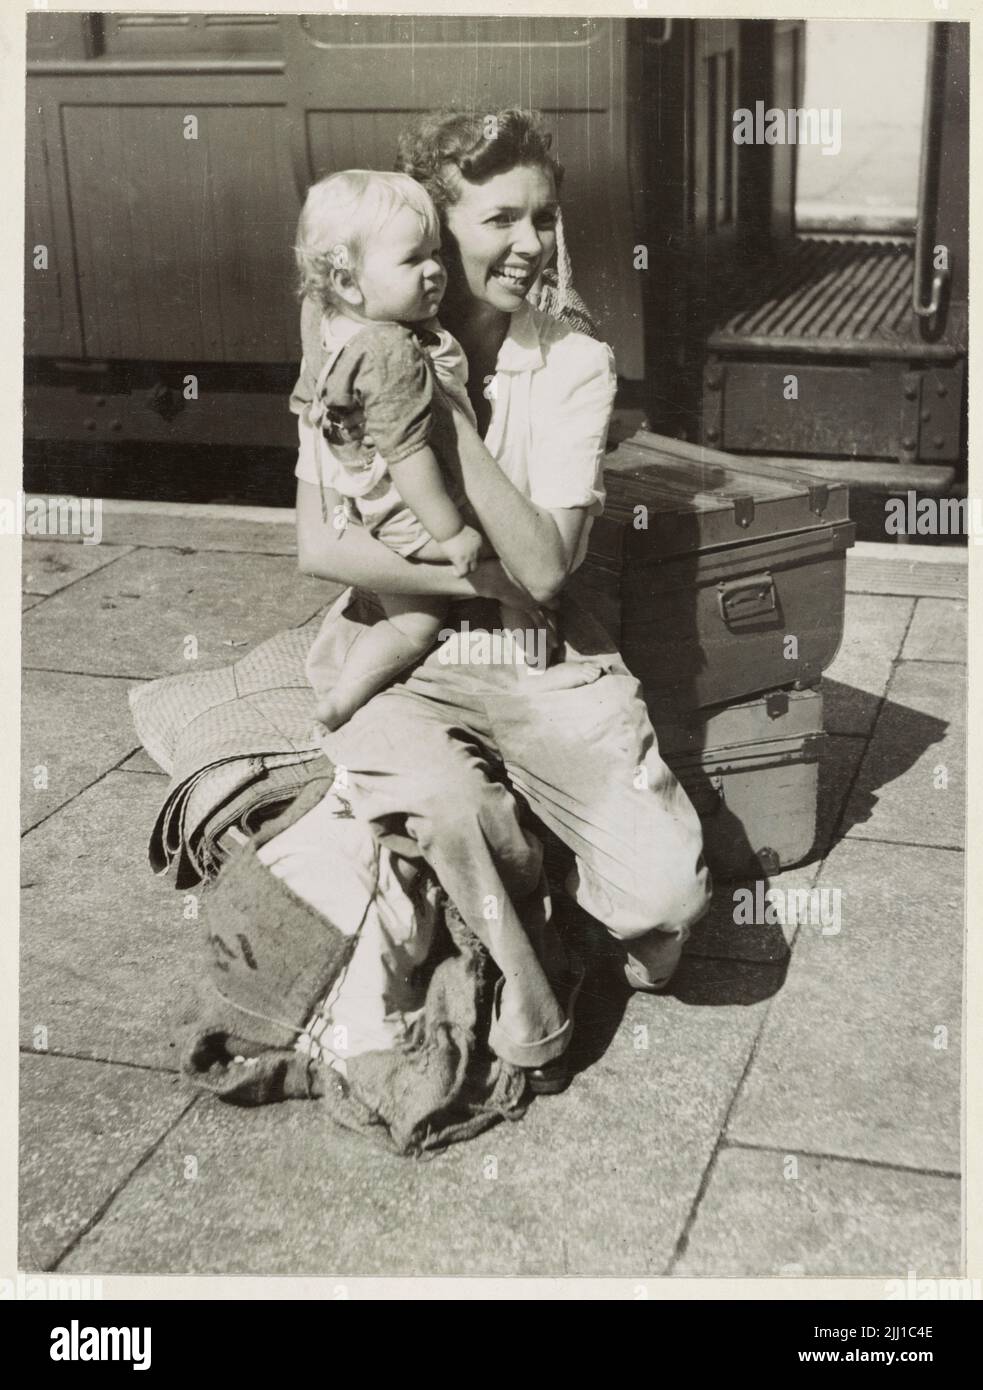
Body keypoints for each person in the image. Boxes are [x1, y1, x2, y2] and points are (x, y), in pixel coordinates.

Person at [279, 108, 712, 1093]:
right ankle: (519, 949)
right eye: (498, 220)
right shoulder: (347, 340)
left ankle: (527, 858)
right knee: (447, 806)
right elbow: (318, 546)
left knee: (668, 909)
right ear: (432, 229)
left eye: (544, 219)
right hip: (399, 642)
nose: (531, 244)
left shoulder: (569, 362)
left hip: (537, 650)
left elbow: (550, 572)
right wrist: (466, 577)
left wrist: (438, 419)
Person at [293, 169, 488, 732]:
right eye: (412, 261)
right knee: (429, 619)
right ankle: (349, 697)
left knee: (414, 619)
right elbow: (410, 454)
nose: (435, 271)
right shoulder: (391, 354)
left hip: (371, 503)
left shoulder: (334, 323)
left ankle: (344, 693)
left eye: (435, 253)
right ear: (351, 283)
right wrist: (452, 534)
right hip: (412, 512)